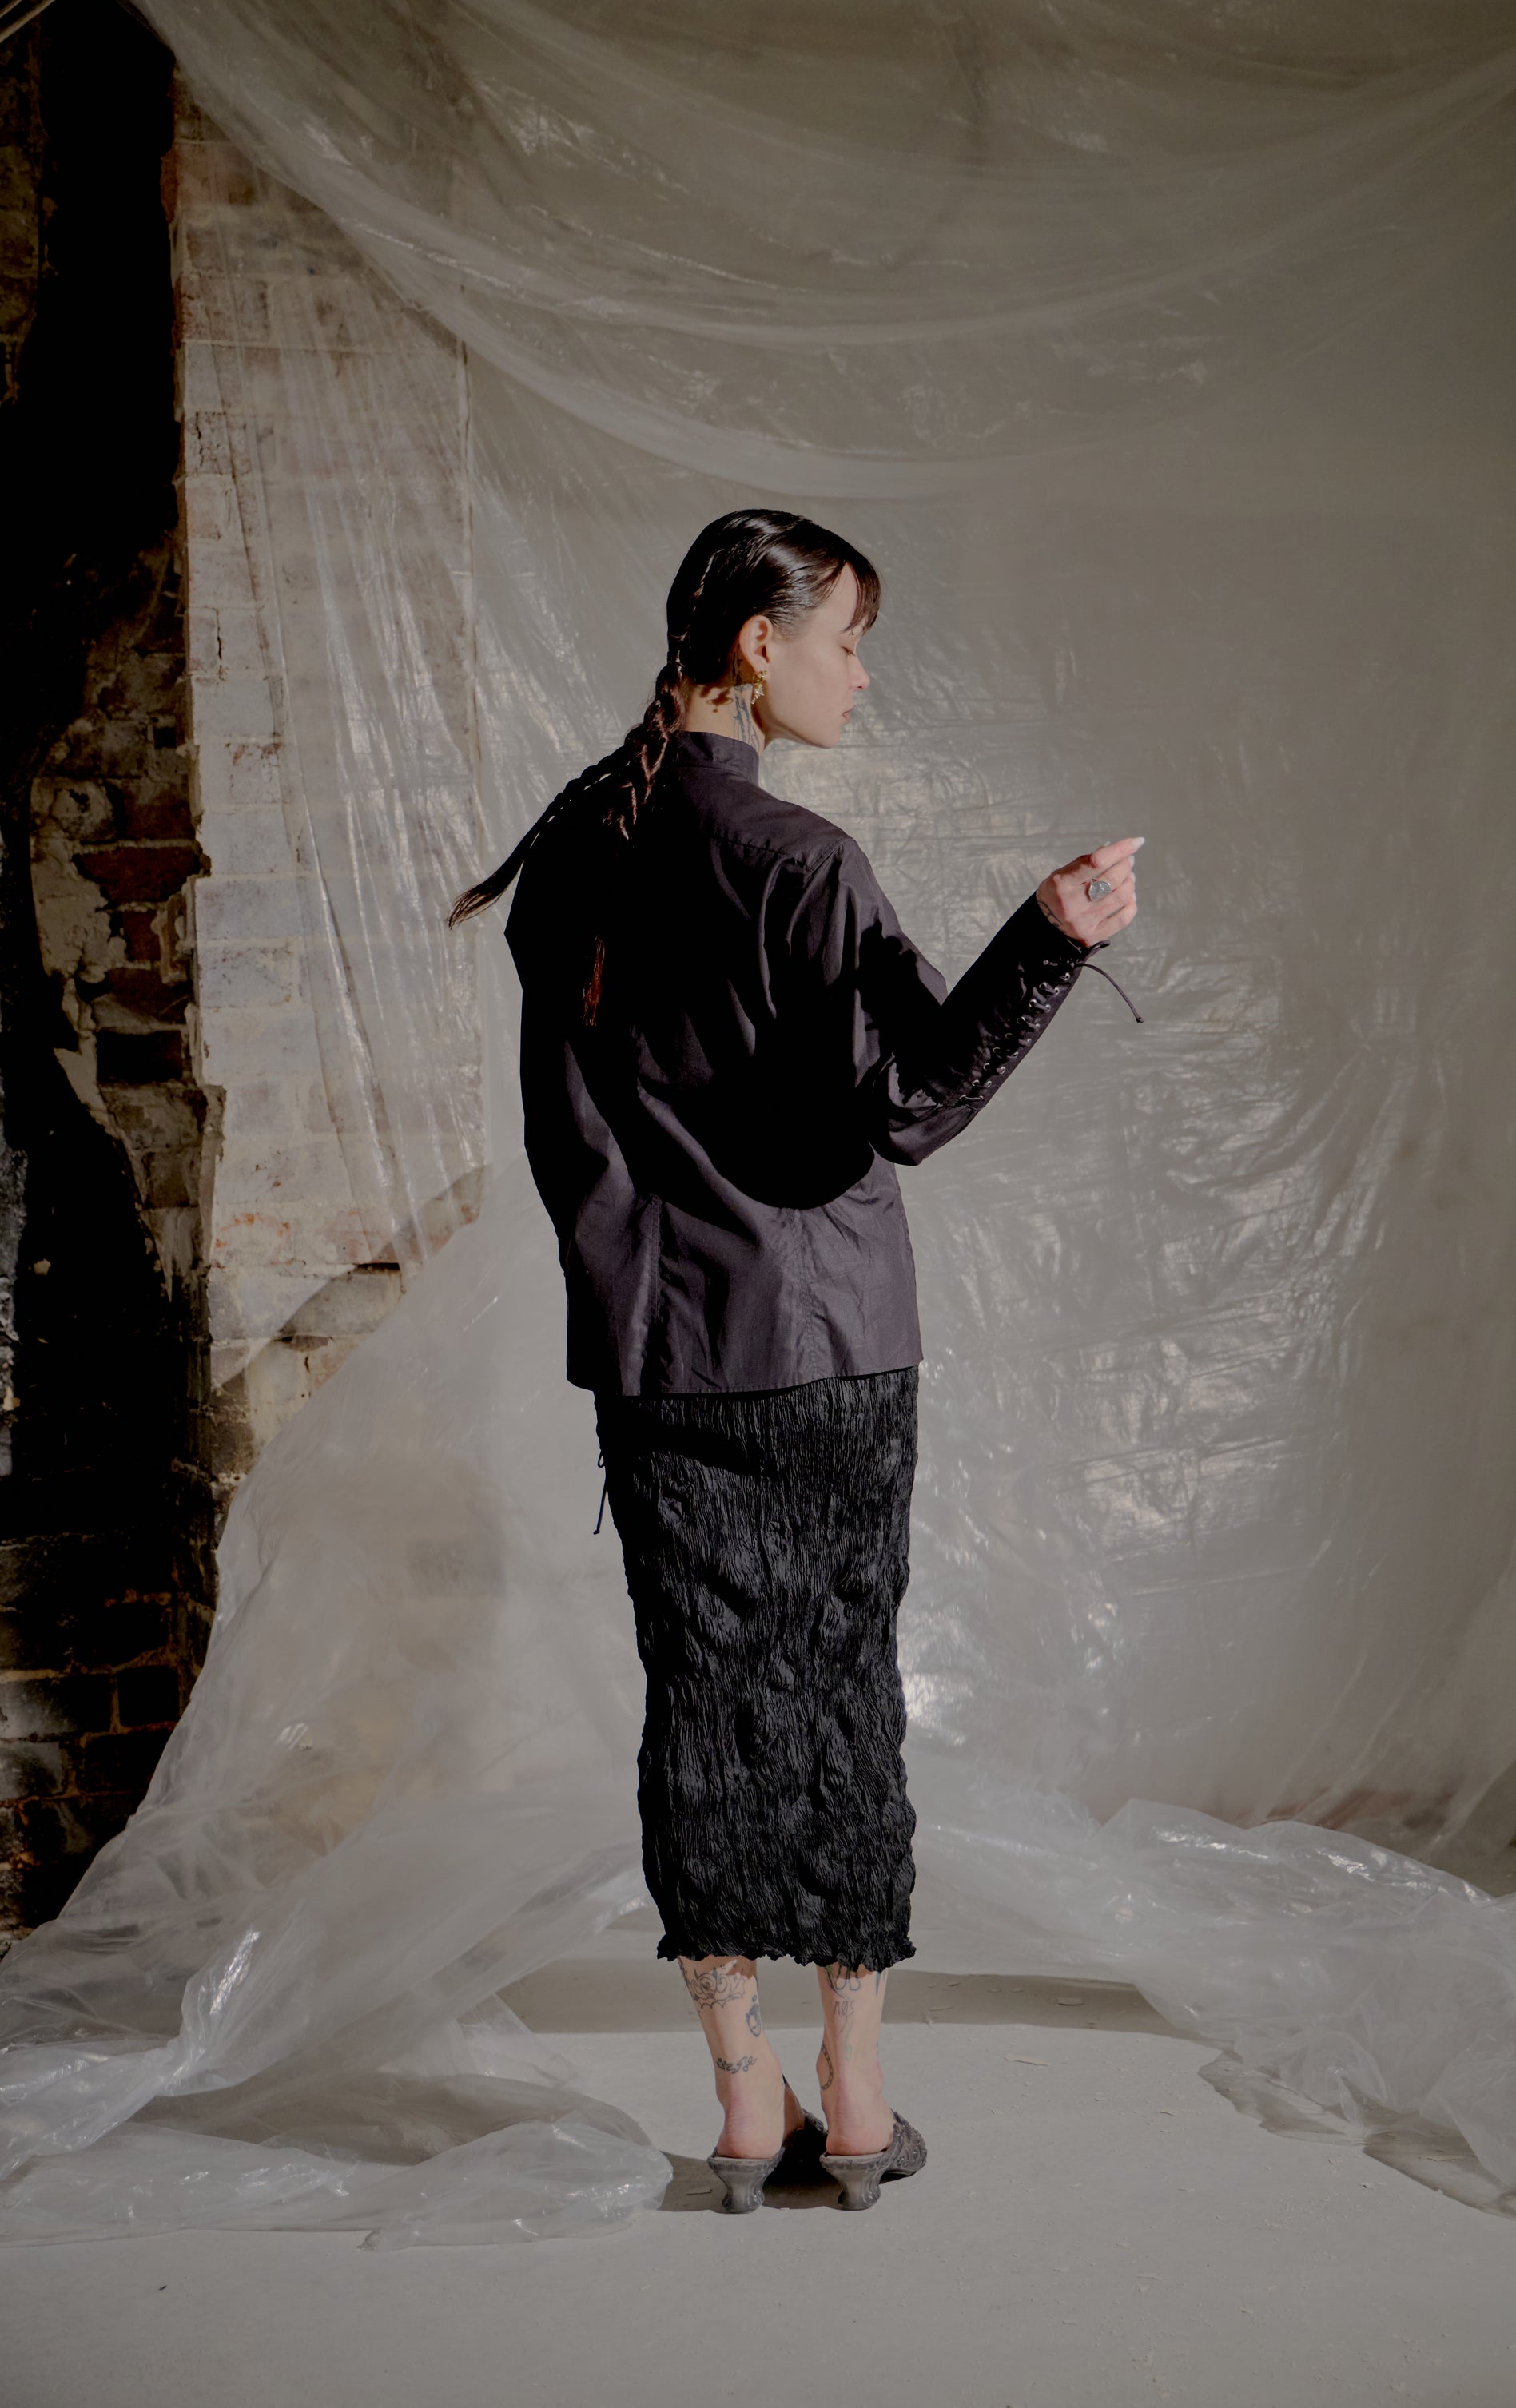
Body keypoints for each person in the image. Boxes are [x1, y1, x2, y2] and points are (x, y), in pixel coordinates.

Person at [449, 509, 1141, 2211]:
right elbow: (909, 1102)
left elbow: (561, 1135)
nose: (860, 674)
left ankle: (741, 2094)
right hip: (826, 1346)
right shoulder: (798, 861)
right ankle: (856, 2085)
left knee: (701, 1698)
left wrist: (632, 1282)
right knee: (834, 1697)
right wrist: (1051, 934)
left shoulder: (573, 848)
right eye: (846, 638)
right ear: (759, 647)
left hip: (659, 1353)